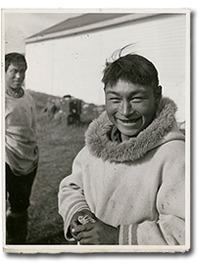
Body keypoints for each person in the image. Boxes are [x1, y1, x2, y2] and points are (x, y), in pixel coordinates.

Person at [58, 51, 185, 245]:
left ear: (157, 95)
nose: (125, 112)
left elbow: (185, 230)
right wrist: (77, 210)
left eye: (137, 99)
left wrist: (118, 237)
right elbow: (72, 186)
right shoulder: (96, 147)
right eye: (115, 99)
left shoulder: (174, 155)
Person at [5, 53, 39, 244]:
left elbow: (32, 125)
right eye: (14, 71)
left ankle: (18, 242)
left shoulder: (28, 98)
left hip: (28, 158)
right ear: (5, 71)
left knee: (20, 204)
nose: (19, 76)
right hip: (6, 157)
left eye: (22, 71)